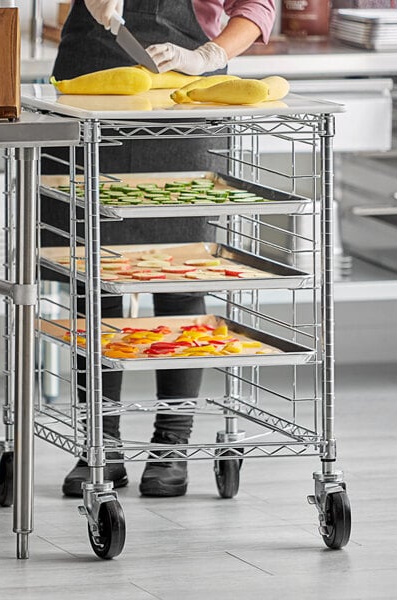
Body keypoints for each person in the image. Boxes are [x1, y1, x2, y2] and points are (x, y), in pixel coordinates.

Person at [45, 0, 276, 498]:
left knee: (178, 276)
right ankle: (98, 444)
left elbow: (257, 6)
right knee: (93, 279)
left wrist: (211, 54)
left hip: (185, 93)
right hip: (92, 84)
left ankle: (171, 445)